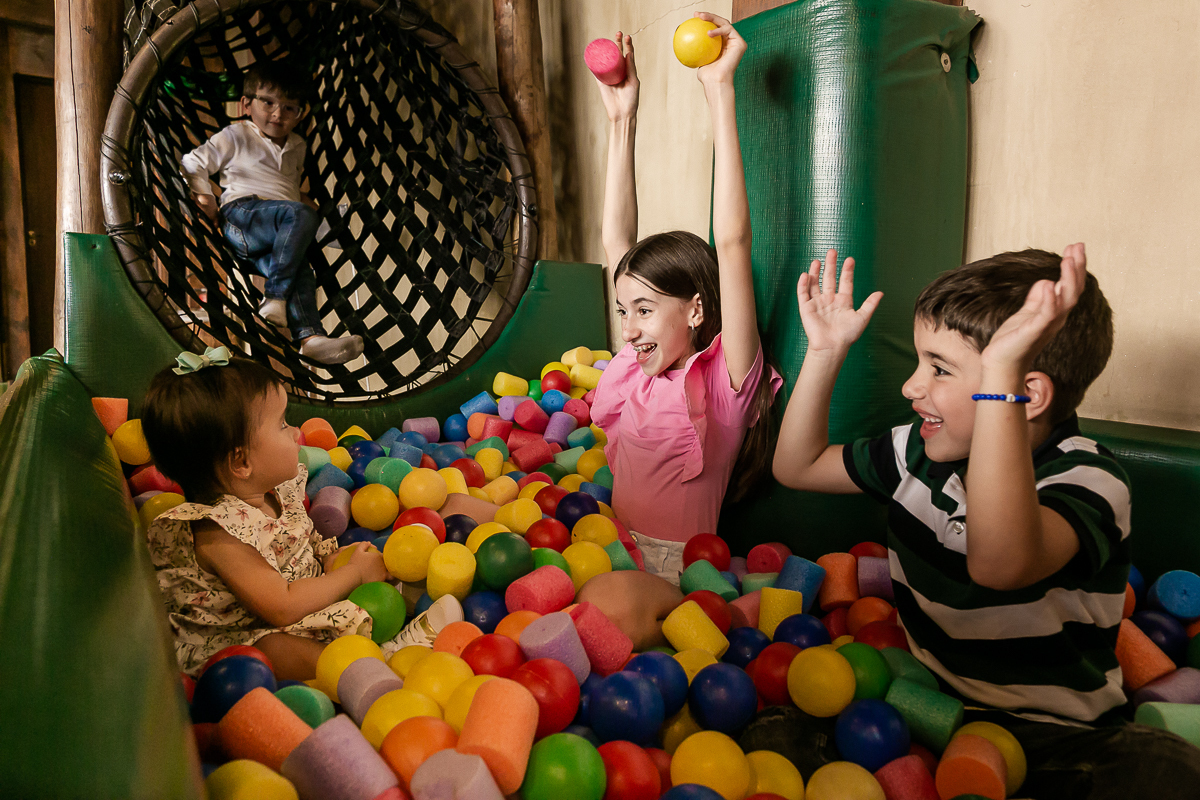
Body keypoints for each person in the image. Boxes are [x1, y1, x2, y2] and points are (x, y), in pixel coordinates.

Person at [772, 244, 1200, 797]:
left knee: (1164, 768)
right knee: (780, 731)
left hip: (1049, 736)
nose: (911, 386)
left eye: (940, 368)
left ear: (1026, 394)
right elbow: (797, 466)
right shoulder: (918, 451)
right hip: (920, 709)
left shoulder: (1088, 476)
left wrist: (1001, 374)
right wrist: (826, 352)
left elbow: (1000, 563)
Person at [587, 14, 782, 583]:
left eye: (644, 312)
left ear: (695, 309)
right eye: (625, 311)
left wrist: (719, 89)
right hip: (602, 548)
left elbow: (733, 240)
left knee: (605, 607)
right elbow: (616, 242)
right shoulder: (634, 369)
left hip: (674, 576)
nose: (628, 329)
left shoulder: (723, 387)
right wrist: (623, 119)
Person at [141, 349, 459, 681]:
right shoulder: (218, 534)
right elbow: (281, 606)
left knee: (373, 557)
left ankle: (411, 603)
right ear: (241, 463)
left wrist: (335, 561)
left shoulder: (272, 490)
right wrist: (352, 575)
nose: (296, 432)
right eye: (281, 424)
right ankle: (377, 664)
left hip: (305, 598)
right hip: (249, 633)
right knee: (272, 651)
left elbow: (300, 548)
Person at [180, 60, 364, 365]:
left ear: (300, 114)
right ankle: (275, 296)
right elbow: (192, 162)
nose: (278, 113)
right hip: (242, 217)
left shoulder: (298, 146)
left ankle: (311, 339)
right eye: (267, 102)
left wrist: (322, 216)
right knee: (301, 215)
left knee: (302, 270)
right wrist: (205, 198)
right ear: (246, 104)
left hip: (277, 236)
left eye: (289, 108)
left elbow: (288, 190)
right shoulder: (236, 135)